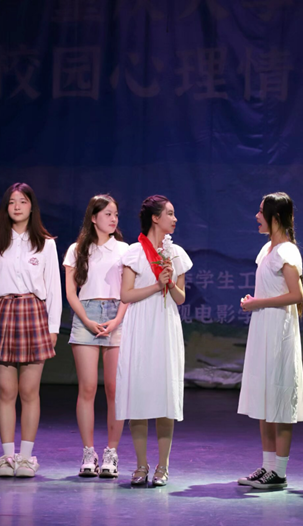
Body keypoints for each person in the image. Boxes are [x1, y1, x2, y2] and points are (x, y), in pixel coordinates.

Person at [0, 183, 61, 478]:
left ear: (32, 206)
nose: (17, 206)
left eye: (22, 201)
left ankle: (26, 458)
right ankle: (8, 456)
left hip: (34, 314)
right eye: (12, 202)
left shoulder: (46, 244)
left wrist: (53, 327)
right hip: (3, 313)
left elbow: (54, 288)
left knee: (29, 391)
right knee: (6, 391)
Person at [116, 195, 193, 487]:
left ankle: (163, 466)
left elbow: (180, 298)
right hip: (139, 325)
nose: (175, 219)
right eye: (170, 214)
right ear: (155, 218)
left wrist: (170, 282)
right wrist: (155, 284)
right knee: (138, 395)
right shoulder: (134, 252)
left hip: (165, 325)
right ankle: (141, 465)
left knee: (164, 395)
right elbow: (126, 294)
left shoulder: (176, 253)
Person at [237, 192, 303, 490]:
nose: (256, 216)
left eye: (261, 211)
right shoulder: (267, 249)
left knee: (279, 397)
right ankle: (267, 466)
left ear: (275, 217)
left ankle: (279, 471)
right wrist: (255, 302)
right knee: (265, 397)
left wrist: (259, 302)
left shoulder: (287, 251)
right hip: (263, 326)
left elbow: (296, 295)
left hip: (279, 330)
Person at [63, 195, 128, 478]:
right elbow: (70, 292)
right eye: (107, 214)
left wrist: (117, 319)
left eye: (116, 214)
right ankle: (88, 453)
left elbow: (128, 290)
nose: (113, 219)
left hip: (117, 314)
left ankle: (111, 453)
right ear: (93, 217)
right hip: (85, 313)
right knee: (87, 388)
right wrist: (87, 320)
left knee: (114, 389)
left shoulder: (125, 249)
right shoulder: (77, 249)